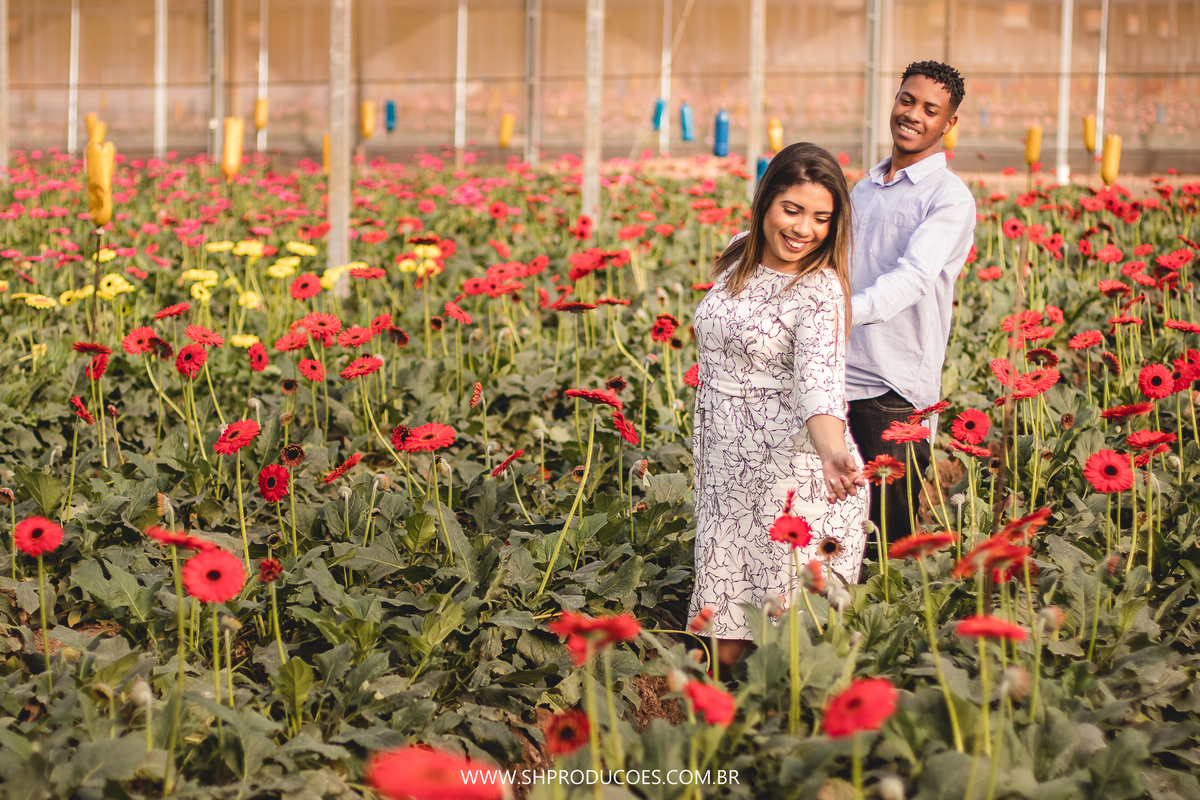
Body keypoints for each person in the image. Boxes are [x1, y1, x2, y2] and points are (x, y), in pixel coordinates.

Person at [689, 142, 869, 669]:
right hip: (727, 465)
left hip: (787, 478)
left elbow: (818, 383)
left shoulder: (821, 289)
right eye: (792, 210)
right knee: (720, 630)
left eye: (820, 218)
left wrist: (833, 451)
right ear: (766, 201)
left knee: (774, 644)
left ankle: (765, 743)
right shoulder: (739, 249)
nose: (803, 229)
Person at [846, 60, 977, 542]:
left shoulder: (948, 197)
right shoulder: (864, 187)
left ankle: (884, 616)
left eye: (930, 108)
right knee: (836, 524)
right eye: (907, 100)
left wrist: (843, 313)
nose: (913, 115)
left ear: (949, 122)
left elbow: (915, 276)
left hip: (895, 391)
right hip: (836, 375)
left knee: (889, 535)